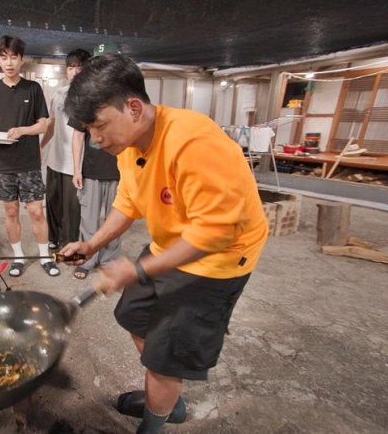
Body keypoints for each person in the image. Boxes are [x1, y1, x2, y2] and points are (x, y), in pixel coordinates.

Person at [59, 54, 269, 434]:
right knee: (134, 316)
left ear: (134, 108)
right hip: (170, 244)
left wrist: (135, 269)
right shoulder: (129, 145)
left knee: (167, 354)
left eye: (100, 125)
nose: (95, 139)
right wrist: (92, 245)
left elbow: (214, 233)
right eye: (89, 129)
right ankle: (166, 395)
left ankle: (156, 416)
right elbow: (128, 202)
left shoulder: (194, 142)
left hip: (216, 259)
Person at [0, 35, 59, 277]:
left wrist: (23, 130)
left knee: (36, 211)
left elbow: (43, 125)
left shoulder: (33, 89)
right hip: (2, 162)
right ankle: (18, 258)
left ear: (22, 59)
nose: (9, 62)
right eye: (4, 57)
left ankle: (45, 257)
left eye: (14, 57)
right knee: (11, 211)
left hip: (28, 162)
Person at [41, 48, 91, 252]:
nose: (74, 72)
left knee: (73, 208)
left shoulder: (91, 95)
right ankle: (53, 238)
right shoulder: (59, 92)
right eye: (71, 67)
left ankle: (70, 247)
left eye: (80, 67)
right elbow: (52, 123)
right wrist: (42, 144)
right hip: (55, 159)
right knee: (52, 202)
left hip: (75, 162)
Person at [70, 113, 121, 280]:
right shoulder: (85, 103)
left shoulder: (122, 102)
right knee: (88, 219)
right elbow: (77, 136)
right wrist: (76, 170)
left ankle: (108, 261)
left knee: (115, 219)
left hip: (120, 172)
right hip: (91, 171)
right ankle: (85, 260)